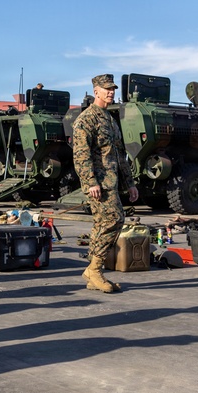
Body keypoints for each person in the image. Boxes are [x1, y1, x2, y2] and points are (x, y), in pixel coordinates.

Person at [71, 73, 139, 293]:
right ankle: (95, 269)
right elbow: (81, 154)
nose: (111, 92)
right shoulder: (86, 119)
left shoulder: (110, 120)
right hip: (98, 184)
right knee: (115, 219)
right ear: (96, 91)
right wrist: (91, 181)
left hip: (112, 182)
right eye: (106, 88)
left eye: (113, 89)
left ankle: (93, 275)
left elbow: (120, 154)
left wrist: (130, 182)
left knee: (102, 225)